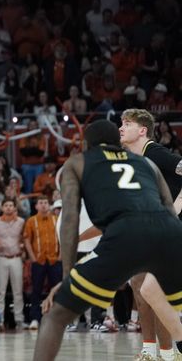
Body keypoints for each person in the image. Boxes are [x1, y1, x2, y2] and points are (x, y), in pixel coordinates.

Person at [34, 120, 182, 361]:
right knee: (156, 297)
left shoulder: (78, 163)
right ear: (117, 141)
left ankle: (165, 352)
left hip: (125, 235)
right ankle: (165, 352)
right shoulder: (146, 163)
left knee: (56, 315)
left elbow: (69, 220)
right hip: (169, 233)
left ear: (86, 144)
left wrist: (67, 277)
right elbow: (168, 209)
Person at [120, 109, 182, 360]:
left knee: (152, 289)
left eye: (127, 124)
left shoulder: (154, 152)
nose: (121, 128)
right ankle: (153, 351)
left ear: (142, 130)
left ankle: (169, 351)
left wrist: (174, 210)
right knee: (142, 286)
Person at [23, 195, 61, 331]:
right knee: (36, 290)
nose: (44, 205)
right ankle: (34, 319)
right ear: (36, 206)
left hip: (54, 259)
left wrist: (61, 255)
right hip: (38, 260)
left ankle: (57, 319)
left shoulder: (56, 220)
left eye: (46, 202)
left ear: (49, 205)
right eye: (41, 203)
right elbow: (27, 239)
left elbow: (62, 236)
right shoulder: (31, 221)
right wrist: (32, 257)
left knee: (57, 290)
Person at [0, 198, 26, 330]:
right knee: (0, 291)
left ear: (15, 208)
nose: (8, 208)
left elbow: (25, 237)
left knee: (18, 291)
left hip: (16, 257)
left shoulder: (21, 222)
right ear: (2, 207)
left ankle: (19, 320)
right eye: (6, 205)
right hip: (1, 257)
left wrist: (23, 245)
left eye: (11, 205)